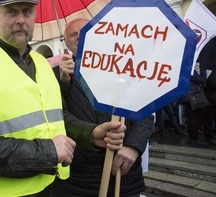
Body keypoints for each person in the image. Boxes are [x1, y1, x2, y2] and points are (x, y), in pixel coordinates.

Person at [0, 0, 126, 197]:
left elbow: (57, 118)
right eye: (11, 11)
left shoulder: (41, 62)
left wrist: (90, 133)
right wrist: (48, 152)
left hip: (53, 186)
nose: (21, 19)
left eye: (27, 11)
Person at [55, 18, 154, 197]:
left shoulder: (125, 67)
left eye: (85, 31)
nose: (79, 36)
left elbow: (145, 112)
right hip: (81, 179)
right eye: (73, 34)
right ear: (67, 44)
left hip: (124, 175)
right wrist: (63, 83)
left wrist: (133, 146)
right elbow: (59, 116)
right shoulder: (58, 75)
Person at [184, 62, 216, 147]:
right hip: (194, 93)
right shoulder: (191, 68)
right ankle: (194, 139)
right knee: (195, 117)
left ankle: (193, 138)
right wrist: (202, 71)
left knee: (194, 116)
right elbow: (202, 79)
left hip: (192, 93)